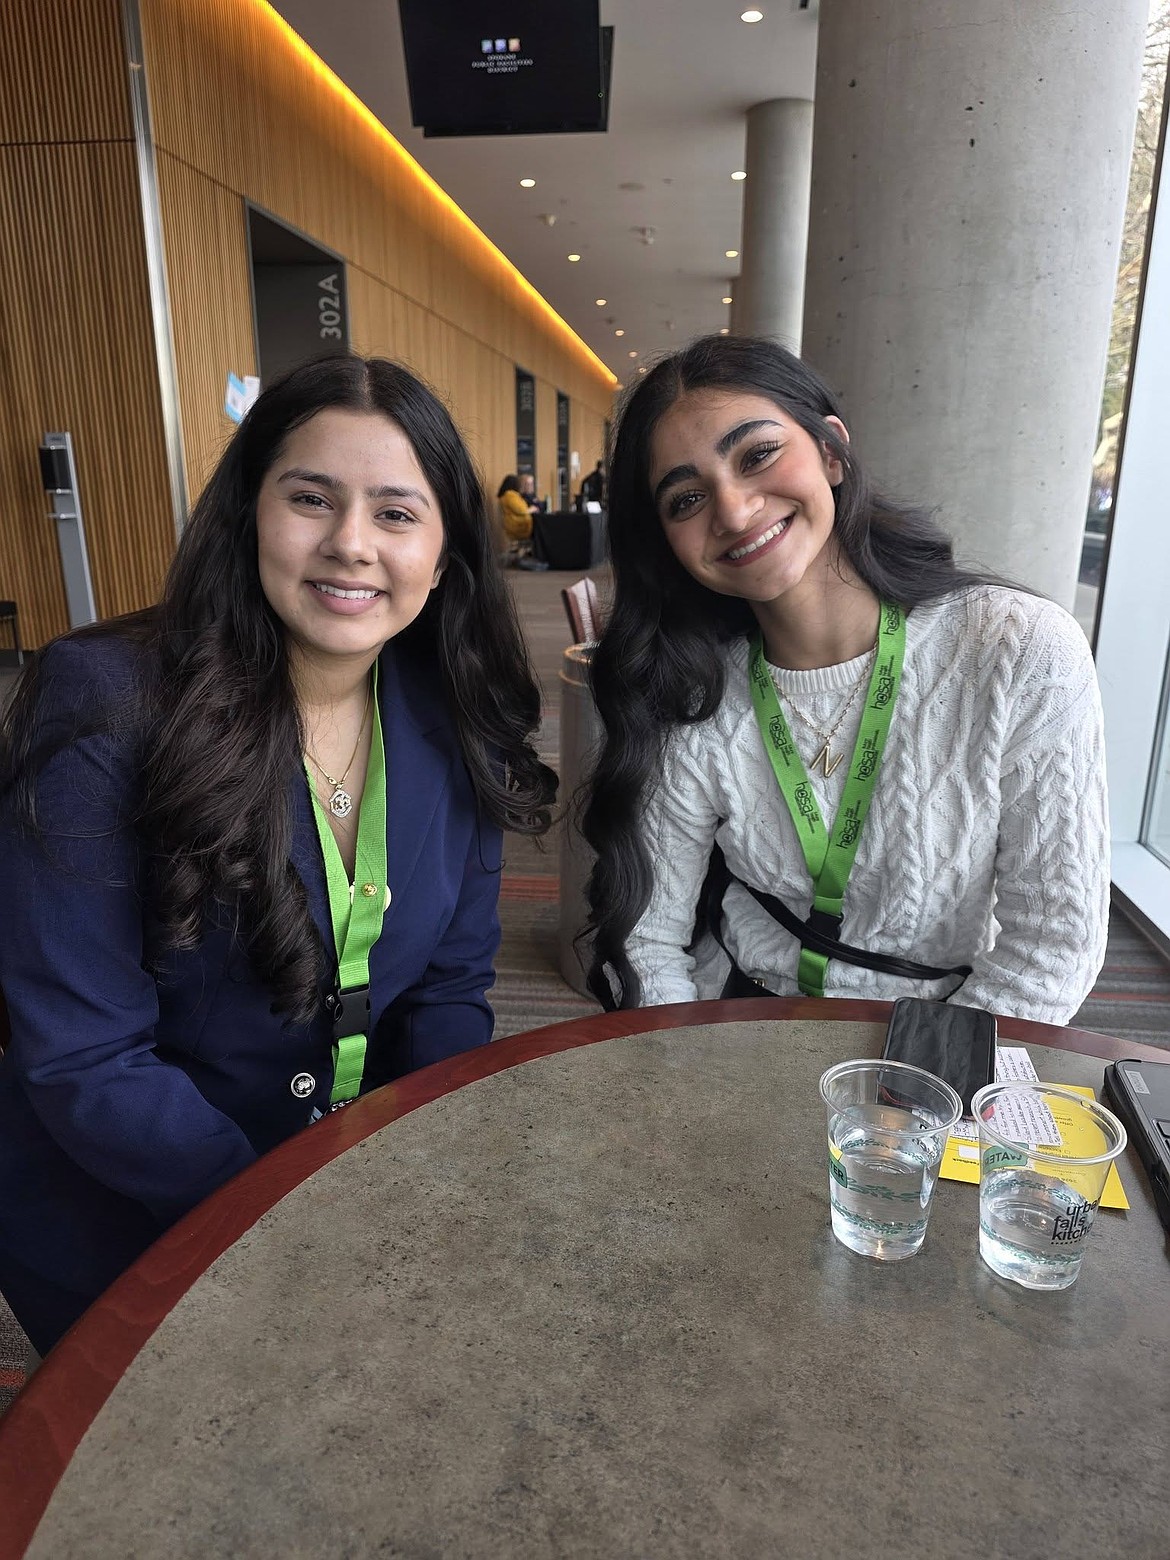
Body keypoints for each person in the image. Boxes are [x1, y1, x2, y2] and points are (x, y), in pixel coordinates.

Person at [0, 355, 556, 1356]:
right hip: (123, 1214)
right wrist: (283, 1212)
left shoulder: (454, 719)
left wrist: (435, 1174)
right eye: (311, 498)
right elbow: (88, 1057)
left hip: (340, 1187)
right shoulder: (108, 704)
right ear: (248, 513)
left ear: (446, 556)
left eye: (396, 513)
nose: (350, 544)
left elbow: (448, 994)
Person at [582, 334, 1109, 1024]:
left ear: (831, 451)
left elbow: (1051, 949)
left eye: (758, 454)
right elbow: (647, 943)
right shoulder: (693, 686)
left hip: (950, 1038)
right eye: (686, 499)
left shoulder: (1016, 652)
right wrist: (689, 1088)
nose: (735, 511)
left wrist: (910, 1106)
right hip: (742, 1029)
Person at [496, 473, 534, 542]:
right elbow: (522, 510)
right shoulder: (510, 495)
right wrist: (532, 509)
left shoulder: (507, 496)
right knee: (542, 529)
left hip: (516, 525)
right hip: (520, 527)